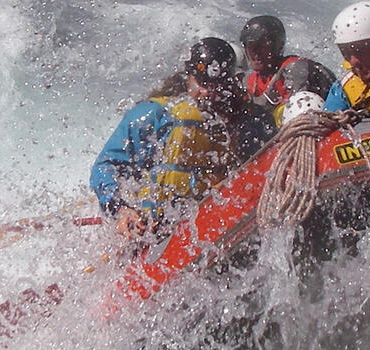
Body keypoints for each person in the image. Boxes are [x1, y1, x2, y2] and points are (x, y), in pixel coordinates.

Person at [90, 37, 277, 238]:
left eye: (217, 85)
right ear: (189, 78)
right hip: (156, 226)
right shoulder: (155, 114)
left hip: (217, 219)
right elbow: (107, 165)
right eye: (202, 83)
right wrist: (121, 209)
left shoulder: (251, 120)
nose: (207, 92)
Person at [239, 15, 336, 124]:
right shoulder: (251, 81)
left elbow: (302, 111)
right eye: (250, 46)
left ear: (278, 46)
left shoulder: (295, 68)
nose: (255, 52)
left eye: (261, 46)